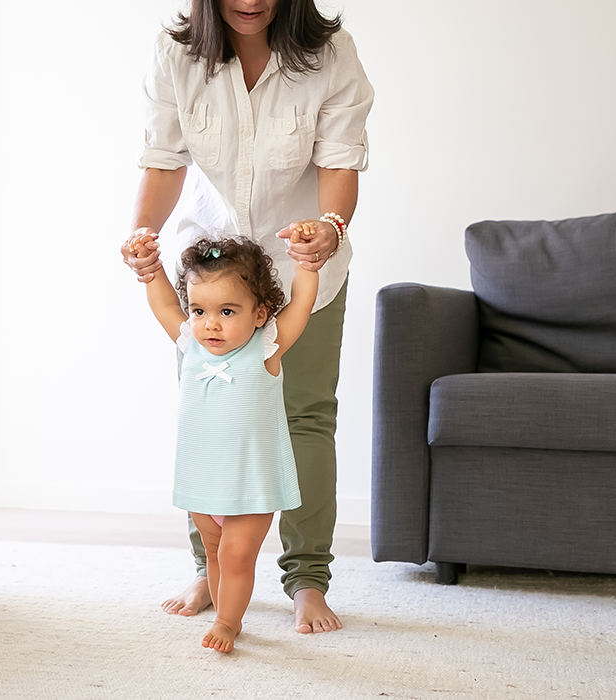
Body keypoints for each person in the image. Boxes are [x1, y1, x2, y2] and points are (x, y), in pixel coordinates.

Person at [121, 0, 373, 634]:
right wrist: (142, 235)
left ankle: (307, 579)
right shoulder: (176, 54)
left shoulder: (330, 54)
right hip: (212, 277)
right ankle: (208, 569)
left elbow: (339, 160)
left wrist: (331, 227)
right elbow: (163, 159)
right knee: (206, 417)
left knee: (305, 418)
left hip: (303, 262)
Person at [130, 232, 320, 652]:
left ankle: (228, 622)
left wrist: (306, 266)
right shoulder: (191, 344)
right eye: (199, 310)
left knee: (235, 555)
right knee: (214, 550)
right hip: (203, 480)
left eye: (227, 311)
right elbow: (164, 305)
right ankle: (222, 607)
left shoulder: (266, 347)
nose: (210, 323)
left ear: (260, 313)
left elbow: (302, 305)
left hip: (250, 484)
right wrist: (152, 269)